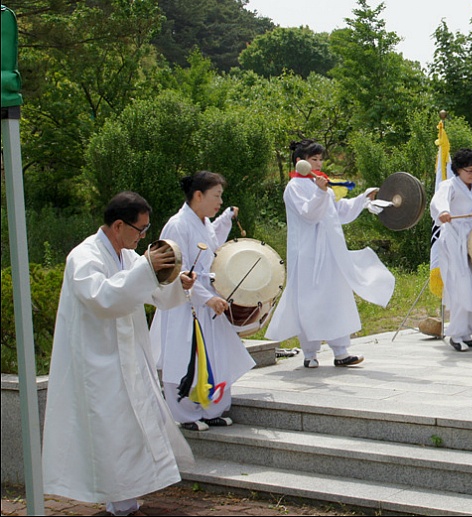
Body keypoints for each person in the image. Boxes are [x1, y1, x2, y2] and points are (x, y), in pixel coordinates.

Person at [42, 191, 197, 516]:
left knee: (130, 430)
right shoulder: (83, 258)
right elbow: (103, 298)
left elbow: (152, 292)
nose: (143, 237)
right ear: (118, 225)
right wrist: (146, 268)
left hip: (127, 357)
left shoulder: (126, 256)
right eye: (139, 230)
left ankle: (126, 500)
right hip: (96, 362)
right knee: (110, 433)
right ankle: (118, 501)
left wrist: (177, 284)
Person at [266, 139, 395, 368]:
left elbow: (339, 212)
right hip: (307, 254)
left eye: (320, 159)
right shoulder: (294, 188)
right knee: (308, 301)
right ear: (300, 162)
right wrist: (319, 192)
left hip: (330, 252)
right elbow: (309, 215)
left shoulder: (322, 186)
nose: (318, 163)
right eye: (313, 159)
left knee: (336, 297)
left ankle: (341, 351)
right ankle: (310, 354)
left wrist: (364, 198)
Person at [150, 171, 255, 431]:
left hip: (208, 302)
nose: (219, 200)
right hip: (183, 304)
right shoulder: (177, 224)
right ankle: (185, 414)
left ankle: (212, 408)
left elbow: (211, 244)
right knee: (184, 355)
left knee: (216, 354)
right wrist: (206, 298)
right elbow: (177, 270)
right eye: (216, 196)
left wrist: (226, 218)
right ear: (199, 195)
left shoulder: (203, 222)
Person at [429, 148, 472, 351]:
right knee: (460, 286)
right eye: (470, 171)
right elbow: (437, 201)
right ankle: (455, 334)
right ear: (458, 170)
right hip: (453, 240)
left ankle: (466, 332)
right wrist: (443, 211)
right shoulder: (448, 186)